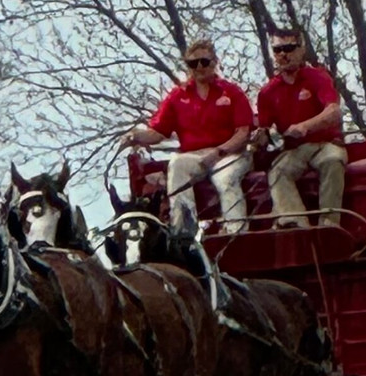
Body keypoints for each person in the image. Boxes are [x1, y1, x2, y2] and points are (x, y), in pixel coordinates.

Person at [121, 40, 253, 234]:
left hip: (231, 153)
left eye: (204, 62)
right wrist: (134, 136)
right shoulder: (177, 96)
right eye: (193, 63)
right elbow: (158, 132)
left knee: (225, 178)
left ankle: (236, 230)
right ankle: (183, 232)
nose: (199, 67)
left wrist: (219, 151)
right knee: (177, 166)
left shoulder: (231, 92)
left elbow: (243, 132)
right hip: (195, 154)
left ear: (214, 62)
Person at [252, 26, 346, 227]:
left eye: (289, 48)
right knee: (277, 171)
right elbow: (265, 130)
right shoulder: (267, 92)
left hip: (325, 143)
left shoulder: (317, 77)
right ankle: (295, 224)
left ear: (301, 49)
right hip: (295, 150)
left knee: (333, 159)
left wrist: (306, 126)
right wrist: (260, 138)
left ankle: (329, 225)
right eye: (278, 50)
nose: (283, 54)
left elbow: (334, 112)